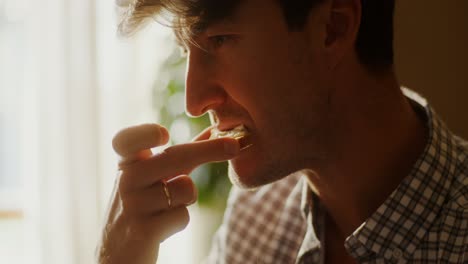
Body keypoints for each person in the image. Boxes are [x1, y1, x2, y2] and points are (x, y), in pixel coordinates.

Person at [97, 0, 468, 263]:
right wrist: (119, 257)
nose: (195, 102)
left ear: (332, 28)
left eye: (220, 40)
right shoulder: (258, 216)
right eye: (185, 51)